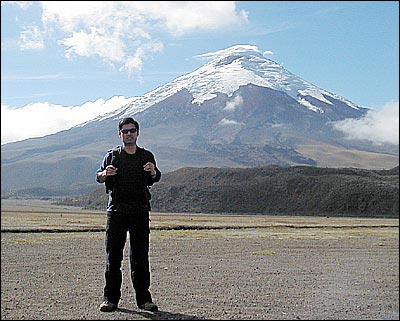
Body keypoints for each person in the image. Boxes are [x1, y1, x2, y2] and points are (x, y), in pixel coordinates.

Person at [96, 117, 161, 312]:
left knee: (140, 257)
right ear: (120, 134)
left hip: (140, 211)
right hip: (116, 211)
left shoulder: (145, 156)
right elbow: (98, 177)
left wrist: (153, 171)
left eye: (132, 130)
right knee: (113, 257)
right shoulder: (112, 156)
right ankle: (110, 299)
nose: (129, 134)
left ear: (137, 133)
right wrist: (105, 173)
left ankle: (144, 300)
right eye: (125, 131)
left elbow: (156, 177)